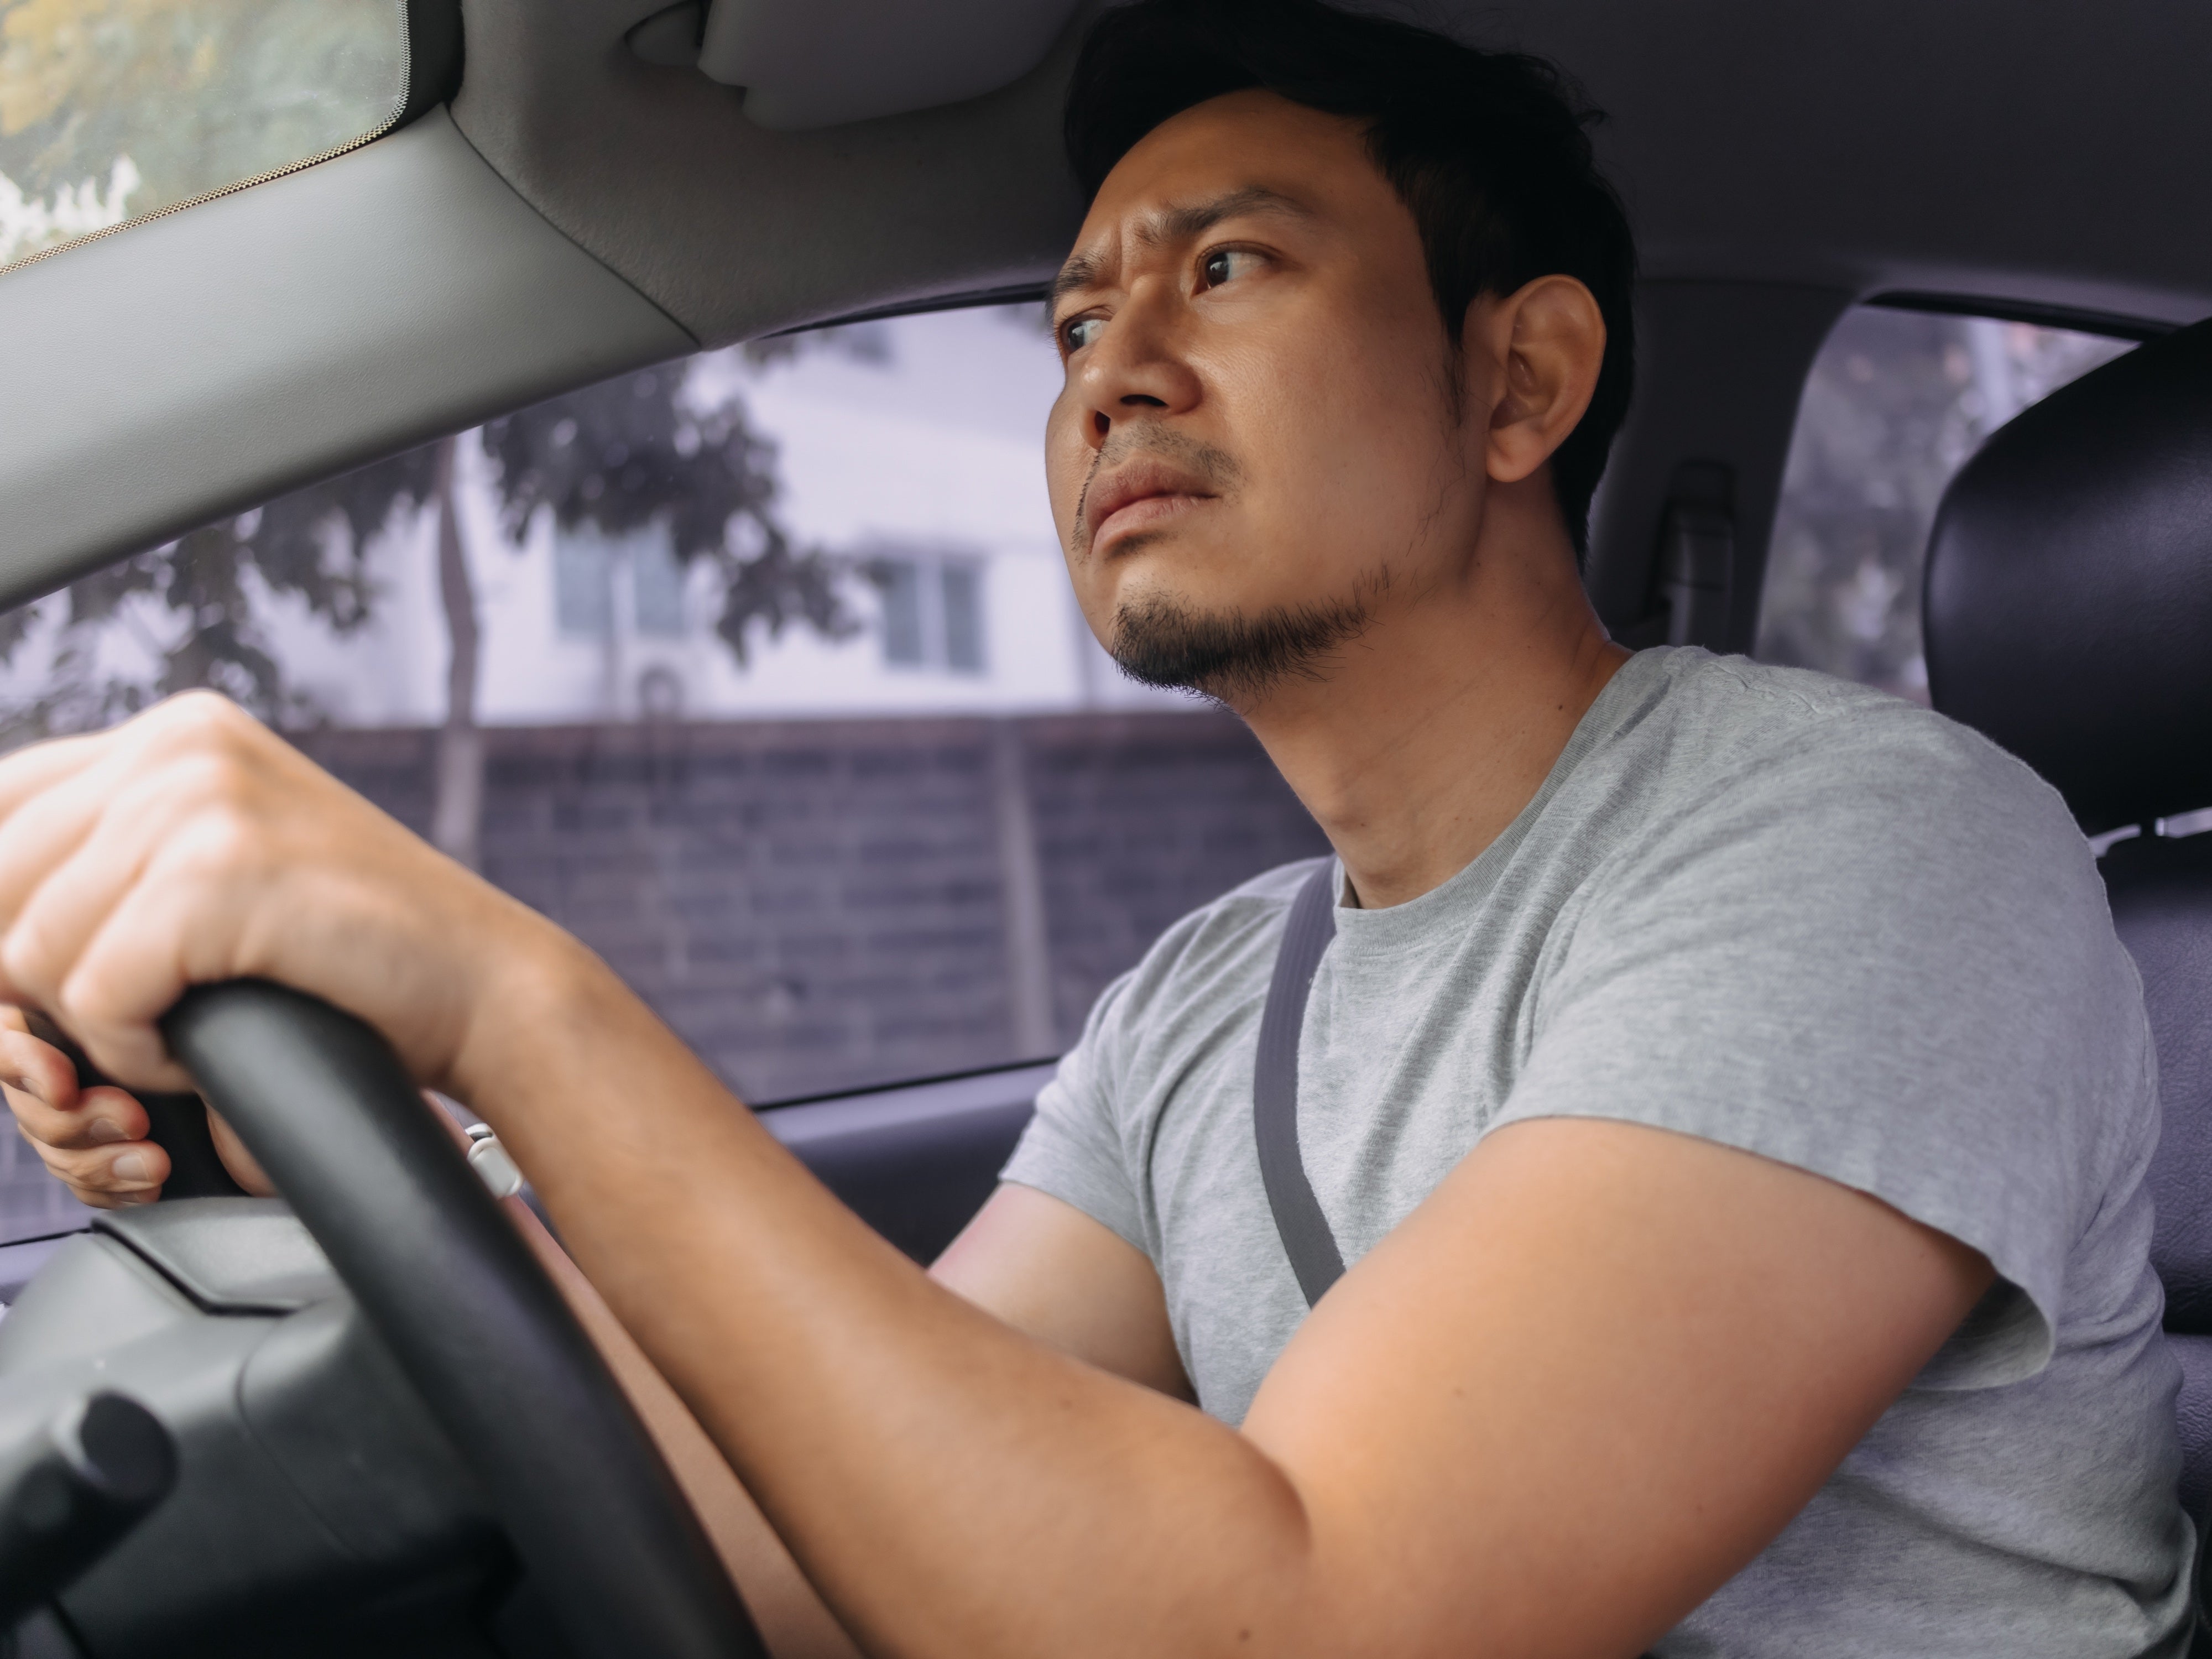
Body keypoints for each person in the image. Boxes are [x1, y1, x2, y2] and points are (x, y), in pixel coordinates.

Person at [0, 0, 2191, 1652]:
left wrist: (506, 1000)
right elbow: (830, 1531)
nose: (1109, 370)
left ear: (1517, 381)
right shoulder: (1209, 999)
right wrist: (388, 1150)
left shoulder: (1878, 854)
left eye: (1224, 271)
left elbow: (1307, 1619)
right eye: (1071, 319)